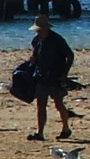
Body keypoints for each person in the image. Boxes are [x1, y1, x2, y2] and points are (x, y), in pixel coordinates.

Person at [26, 12, 74, 141]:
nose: (39, 32)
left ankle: (66, 128)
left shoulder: (57, 39)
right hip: (41, 76)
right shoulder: (37, 40)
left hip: (56, 77)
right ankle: (40, 133)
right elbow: (35, 53)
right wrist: (33, 59)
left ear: (47, 28)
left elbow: (70, 55)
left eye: (40, 30)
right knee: (40, 104)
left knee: (59, 104)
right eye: (38, 30)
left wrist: (64, 74)